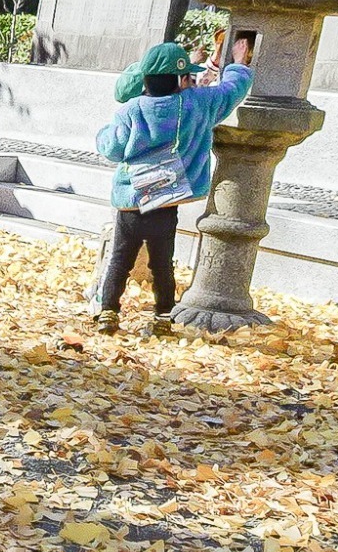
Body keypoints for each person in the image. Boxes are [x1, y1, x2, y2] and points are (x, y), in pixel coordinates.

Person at [91, 36, 253, 335]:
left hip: (132, 200)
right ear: (180, 79)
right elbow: (231, 91)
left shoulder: (132, 109)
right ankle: (163, 318)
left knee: (119, 260)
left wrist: (103, 132)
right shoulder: (197, 104)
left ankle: (108, 313)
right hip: (166, 201)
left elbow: (111, 148)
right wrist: (239, 65)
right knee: (162, 264)